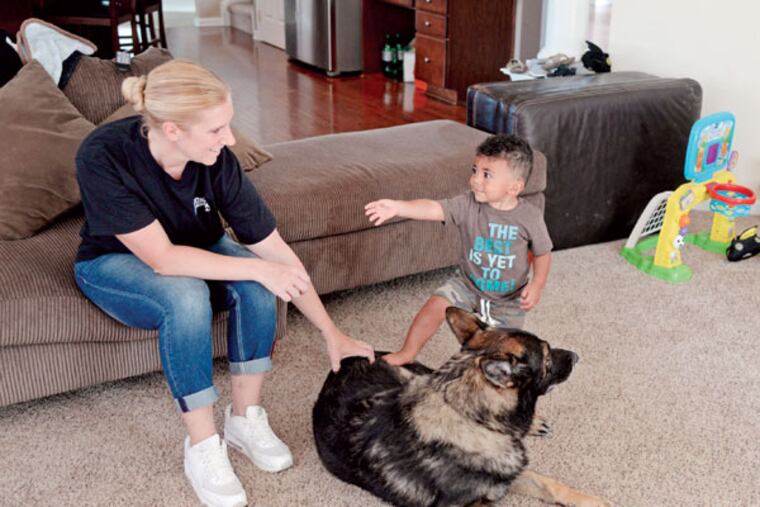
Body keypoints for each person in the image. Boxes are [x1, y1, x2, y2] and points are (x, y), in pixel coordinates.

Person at [73, 59, 374, 507]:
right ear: (173, 130)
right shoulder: (102, 155)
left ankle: (244, 419)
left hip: (199, 248)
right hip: (114, 262)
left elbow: (274, 252)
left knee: (256, 283)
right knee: (188, 294)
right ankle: (202, 445)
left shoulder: (218, 160)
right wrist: (256, 267)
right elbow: (164, 259)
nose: (229, 139)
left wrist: (332, 332)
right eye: (217, 129)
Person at [365, 134, 552, 365]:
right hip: (467, 283)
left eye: (487, 175)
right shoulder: (468, 204)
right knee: (436, 304)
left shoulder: (529, 217)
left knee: (500, 355)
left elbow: (543, 252)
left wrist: (537, 284)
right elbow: (434, 208)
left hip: (508, 298)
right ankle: (407, 353)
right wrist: (398, 207)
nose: (475, 180)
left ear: (514, 187)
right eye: (475, 170)